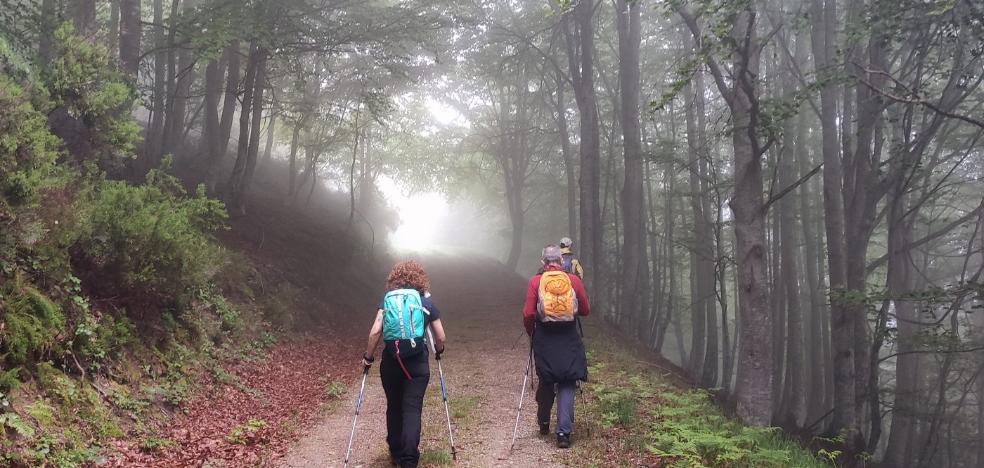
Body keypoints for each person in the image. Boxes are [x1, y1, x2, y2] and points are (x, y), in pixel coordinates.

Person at [362, 260, 446, 468]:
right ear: (420, 280)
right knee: (412, 409)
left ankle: (396, 451)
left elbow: (375, 332)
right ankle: (409, 460)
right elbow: (441, 337)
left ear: (394, 279)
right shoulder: (426, 303)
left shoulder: (387, 300)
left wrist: (368, 358)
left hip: (391, 362)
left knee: (394, 405)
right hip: (417, 365)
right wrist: (439, 350)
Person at [522, 245, 590, 448]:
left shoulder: (536, 281)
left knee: (547, 378)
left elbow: (528, 313)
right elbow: (585, 310)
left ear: (543, 262)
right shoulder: (574, 281)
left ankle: (543, 421)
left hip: (545, 336)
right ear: (561, 261)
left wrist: (531, 332)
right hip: (568, 336)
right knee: (568, 380)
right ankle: (563, 434)